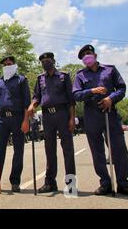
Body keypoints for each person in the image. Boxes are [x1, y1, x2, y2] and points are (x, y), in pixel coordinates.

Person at [72, 44, 128, 197]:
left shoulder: (110, 69)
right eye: (83, 56)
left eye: (89, 53)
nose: (86, 57)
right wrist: (92, 91)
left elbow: (122, 88)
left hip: (110, 114)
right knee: (97, 152)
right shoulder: (80, 75)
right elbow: (75, 94)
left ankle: (123, 184)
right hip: (92, 116)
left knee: (119, 150)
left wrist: (111, 98)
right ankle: (105, 183)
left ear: (94, 55)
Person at [27, 52, 76, 193]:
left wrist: (72, 118)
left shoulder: (64, 77)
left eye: (48, 60)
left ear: (53, 61)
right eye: (43, 62)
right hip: (47, 116)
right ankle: (50, 183)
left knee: (67, 150)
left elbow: (71, 100)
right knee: (49, 150)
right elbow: (37, 96)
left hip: (62, 114)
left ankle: (71, 185)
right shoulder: (40, 78)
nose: (45, 63)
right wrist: (32, 105)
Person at [0, 56, 30, 193]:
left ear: (14, 65)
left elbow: (26, 103)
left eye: (9, 63)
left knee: (18, 150)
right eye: (5, 64)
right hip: (1, 119)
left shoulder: (21, 80)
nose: (7, 65)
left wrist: (26, 121)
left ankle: (15, 181)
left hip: (18, 118)